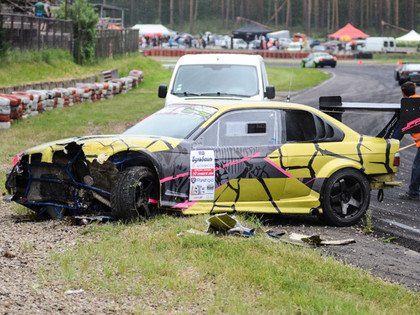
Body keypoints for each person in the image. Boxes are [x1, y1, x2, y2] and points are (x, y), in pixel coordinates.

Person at [398, 81, 420, 201]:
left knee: (417, 167)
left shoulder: (409, 106)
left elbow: (401, 130)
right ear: (415, 91)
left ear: (403, 94)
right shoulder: (418, 100)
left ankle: (413, 192)